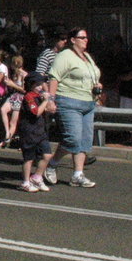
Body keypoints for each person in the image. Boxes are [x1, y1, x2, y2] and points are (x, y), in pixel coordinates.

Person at [44, 28, 101, 188]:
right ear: (72, 40)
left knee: (84, 141)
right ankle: (52, 163)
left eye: (86, 37)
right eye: (82, 37)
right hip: (69, 101)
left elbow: (91, 75)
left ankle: (78, 174)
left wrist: (96, 85)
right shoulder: (65, 56)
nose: (85, 40)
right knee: (73, 138)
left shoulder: (87, 57)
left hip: (88, 102)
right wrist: (51, 100)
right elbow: (54, 77)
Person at [17, 72, 56, 192]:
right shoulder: (29, 96)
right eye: (38, 84)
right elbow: (36, 112)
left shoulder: (40, 96)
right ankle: (26, 182)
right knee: (29, 158)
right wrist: (45, 101)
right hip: (29, 131)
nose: (40, 87)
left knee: (47, 155)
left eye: (41, 84)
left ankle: (37, 177)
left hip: (40, 131)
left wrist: (49, 104)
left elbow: (47, 110)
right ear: (31, 85)